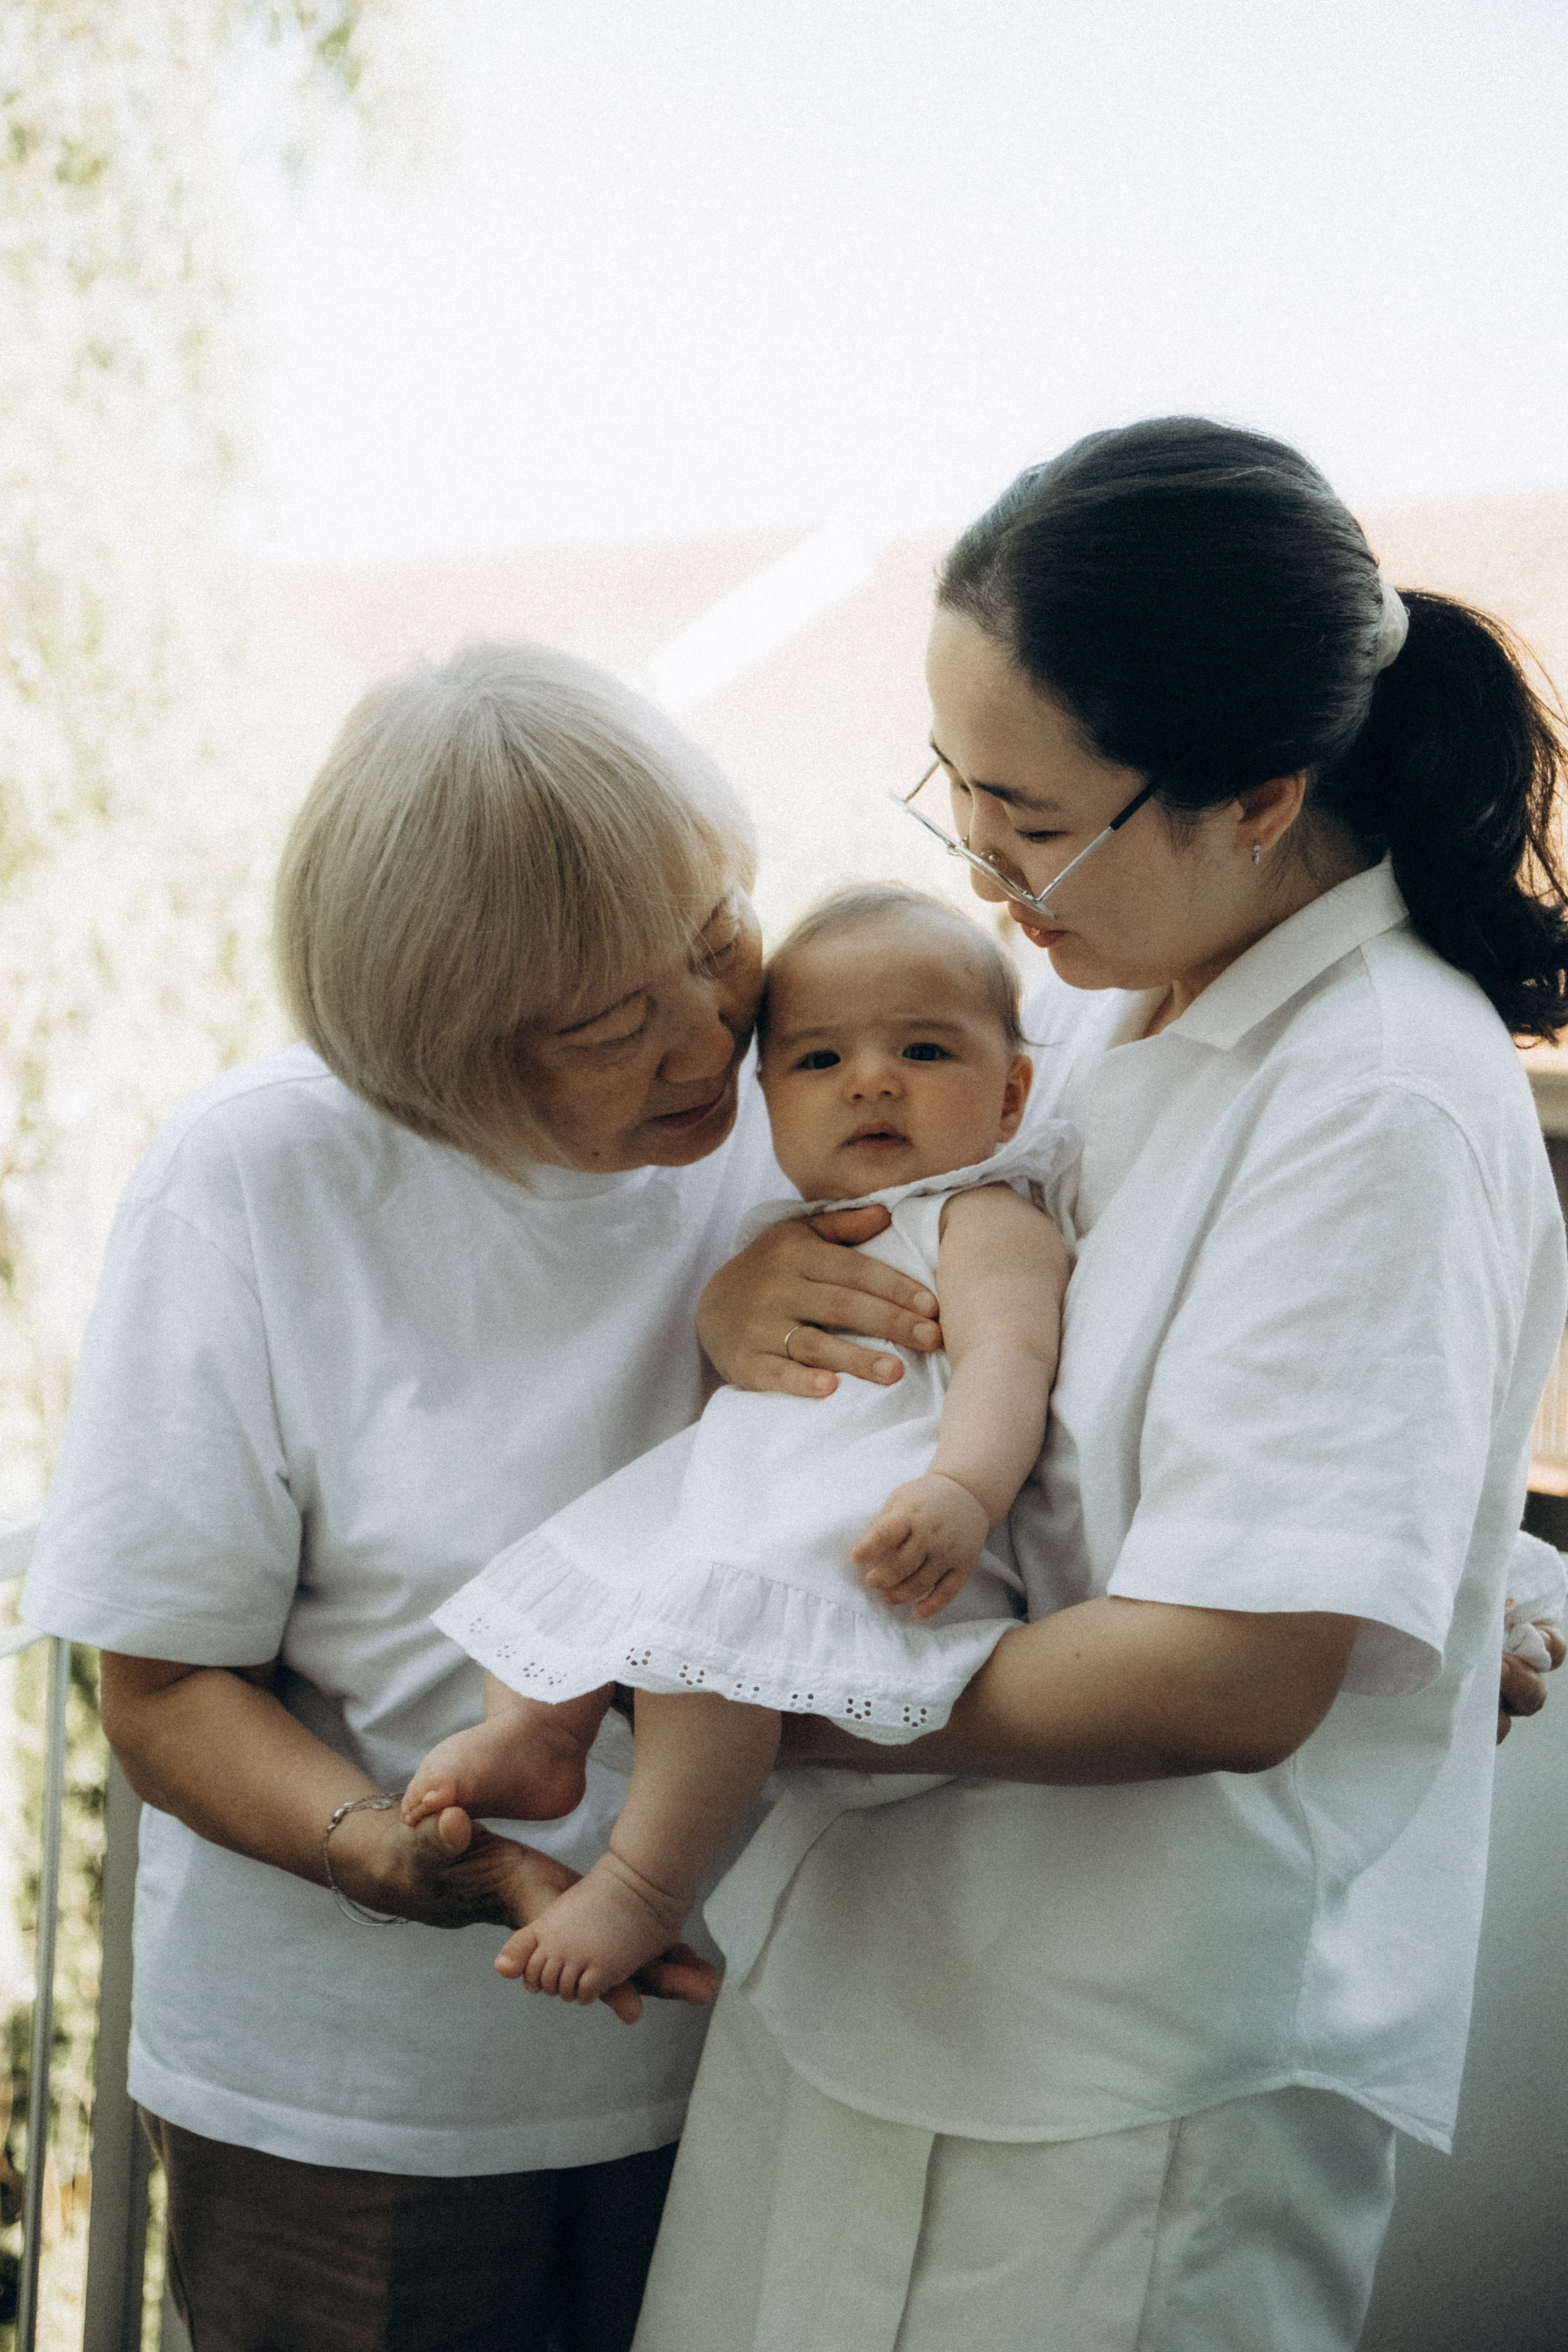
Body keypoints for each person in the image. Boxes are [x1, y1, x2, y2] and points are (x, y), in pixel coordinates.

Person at [631, 418, 1568, 2352]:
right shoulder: (1094, 983)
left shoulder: (1380, 1091)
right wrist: (760, 1300)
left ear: (1256, 797)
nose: (983, 871)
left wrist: (741, 1706)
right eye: (956, 793)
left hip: (1117, 2081)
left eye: (1032, 818)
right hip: (873, 1987)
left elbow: (1228, 1667)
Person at [15, 644, 937, 2352]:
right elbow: (154, 1684)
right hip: (360, 2107)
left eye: (715, 933)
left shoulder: (800, 1115)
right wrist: (380, 1854)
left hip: (742, 2057)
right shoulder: (258, 1181)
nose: (705, 1032)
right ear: (431, 1056)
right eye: (606, 1022)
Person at [407, 884, 1074, 2005]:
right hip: (747, 1500)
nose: (870, 1079)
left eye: (921, 1048)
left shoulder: (983, 1216)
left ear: (1010, 1097)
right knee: (580, 1570)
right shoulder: (775, 1224)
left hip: (872, 1532)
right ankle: (536, 1734)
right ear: (767, 1101)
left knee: (699, 1653)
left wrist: (962, 1487)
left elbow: (1011, 1362)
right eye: (819, 1062)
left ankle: (644, 1879)